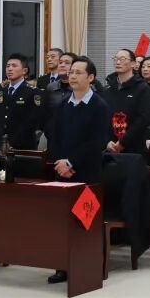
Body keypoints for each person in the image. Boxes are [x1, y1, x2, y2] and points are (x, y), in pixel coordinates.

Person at [48, 56, 110, 284]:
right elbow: (53, 135)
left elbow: (97, 142)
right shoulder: (63, 104)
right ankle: (63, 266)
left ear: (90, 77)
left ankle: (92, 264)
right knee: (62, 220)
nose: (72, 76)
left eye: (78, 72)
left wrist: (71, 162)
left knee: (87, 218)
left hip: (87, 171)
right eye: (71, 72)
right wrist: (60, 162)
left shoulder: (99, 106)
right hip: (62, 171)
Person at [103, 48, 150, 155]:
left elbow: (143, 119)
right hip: (110, 147)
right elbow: (103, 116)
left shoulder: (143, 88)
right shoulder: (108, 88)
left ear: (133, 64)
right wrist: (106, 140)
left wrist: (123, 142)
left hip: (134, 147)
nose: (118, 62)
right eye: (115, 59)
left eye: (122, 59)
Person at [3, 53, 42, 150]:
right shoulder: (1, 91)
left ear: (24, 71)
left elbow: (32, 121)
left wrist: (12, 142)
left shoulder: (33, 92)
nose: (10, 69)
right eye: (8, 66)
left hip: (23, 146)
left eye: (14, 66)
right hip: (2, 144)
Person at [43, 52, 76, 145]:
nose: (62, 65)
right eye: (60, 62)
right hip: (54, 139)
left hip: (75, 139)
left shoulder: (81, 88)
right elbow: (45, 115)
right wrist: (49, 132)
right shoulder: (50, 87)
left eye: (67, 63)